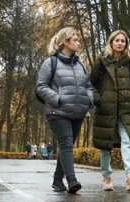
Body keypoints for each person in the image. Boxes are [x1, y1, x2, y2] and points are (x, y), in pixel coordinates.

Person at [36, 27, 93, 193]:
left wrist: (88, 99)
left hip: (78, 112)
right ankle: (71, 180)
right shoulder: (51, 63)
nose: (78, 42)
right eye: (75, 40)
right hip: (57, 112)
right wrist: (58, 99)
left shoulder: (80, 65)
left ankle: (57, 180)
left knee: (66, 146)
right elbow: (41, 87)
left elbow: (88, 86)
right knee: (66, 144)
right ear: (65, 42)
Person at [90, 30, 130, 192]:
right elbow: (91, 84)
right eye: (117, 40)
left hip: (125, 109)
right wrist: (98, 99)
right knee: (106, 145)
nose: (120, 43)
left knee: (128, 142)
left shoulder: (129, 63)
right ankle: (106, 177)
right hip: (106, 109)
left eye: (123, 41)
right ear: (111, 42)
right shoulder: (101, 62)